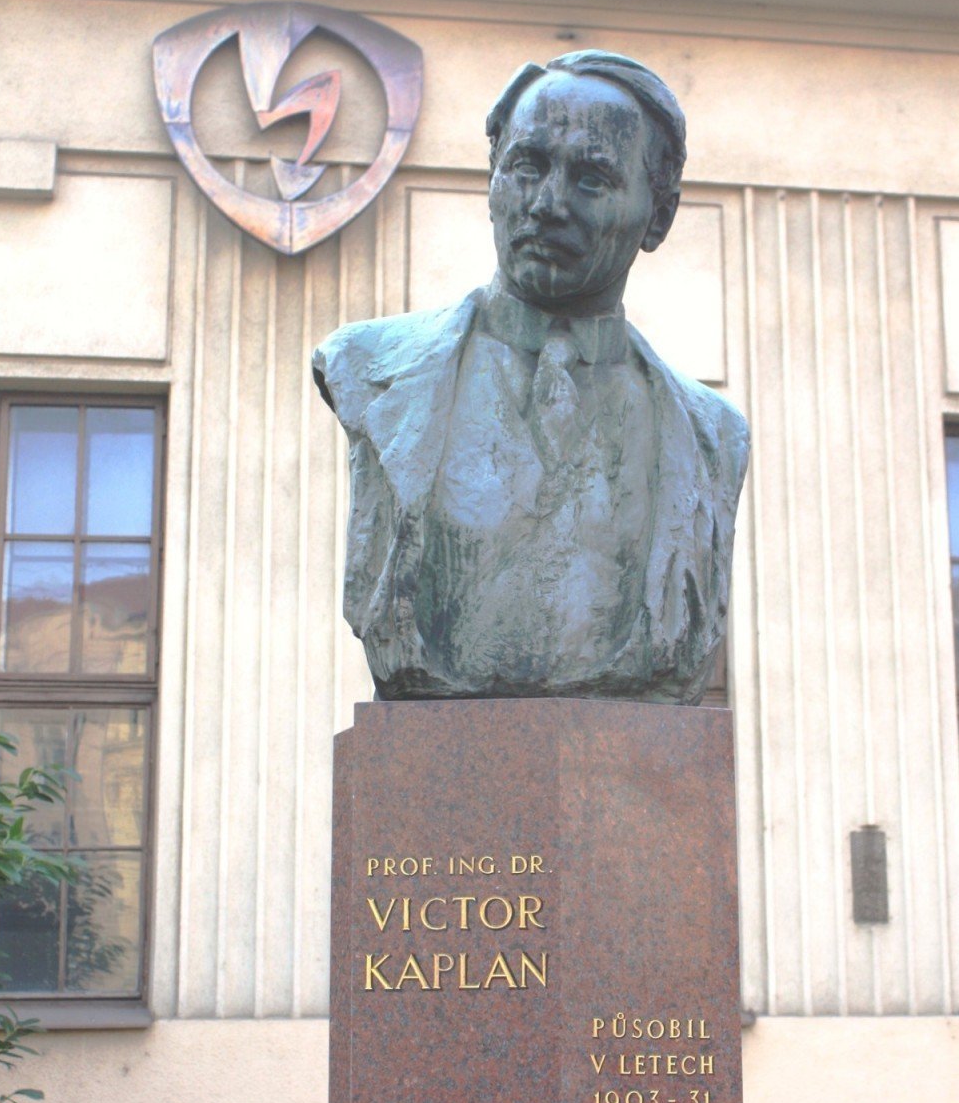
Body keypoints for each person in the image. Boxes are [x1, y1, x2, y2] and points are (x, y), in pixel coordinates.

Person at [312, 49, 749, 703]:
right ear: (492, 179)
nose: (547, 204)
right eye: (527, 165)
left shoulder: (714, 435)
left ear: (658, 216)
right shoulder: (368, 371)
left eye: (592, 178)